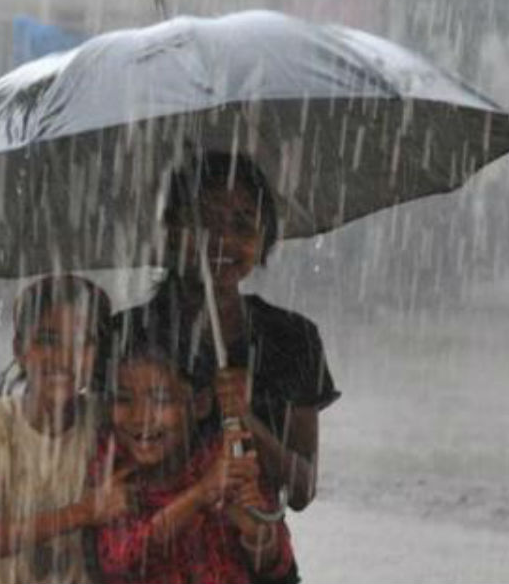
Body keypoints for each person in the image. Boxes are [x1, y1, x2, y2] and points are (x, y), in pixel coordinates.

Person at [109, 151, 340, 512]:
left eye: (242, 224)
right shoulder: (126, 335)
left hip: (255, 557)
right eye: (205, 223)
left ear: (265, 239)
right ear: (171, 232)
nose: (223, 241)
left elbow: (300, 491)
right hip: (152, 554)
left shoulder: (294, 338)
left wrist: (248, 422)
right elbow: (104, 470)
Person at [0, 275, 131, 583]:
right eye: (47, 339)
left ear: (97, 352)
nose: (63, 358)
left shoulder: (105, 418)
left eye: (81, 342)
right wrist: (80, 513)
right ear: (20, 350)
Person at [89, 339, 294, 584]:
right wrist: (200, 494)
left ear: (200, 404)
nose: (140, 417)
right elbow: (119, 559)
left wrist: (256, 534)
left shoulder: (227, 458)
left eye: (161, 400)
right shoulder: (111, 466)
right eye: (123, 399)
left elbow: (278, 566)